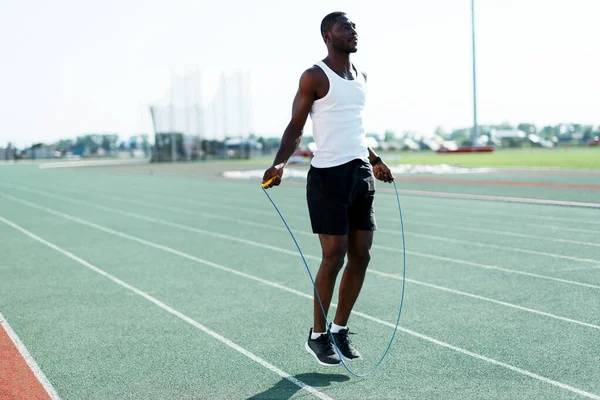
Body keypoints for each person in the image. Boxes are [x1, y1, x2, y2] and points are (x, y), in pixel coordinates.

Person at [262, 11, 394, 367]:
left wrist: (375, 159)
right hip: (327, 178)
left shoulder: (361, 77)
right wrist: (280, 162)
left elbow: (354, 128)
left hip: (360, 174)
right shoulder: (314, 77)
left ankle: (339, 330)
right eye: (343, 28)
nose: (352, 32)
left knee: (362, 255)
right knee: (333, 256)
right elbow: (296, 127)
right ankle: (317, 336)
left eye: (353, 27)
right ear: (327, 36)